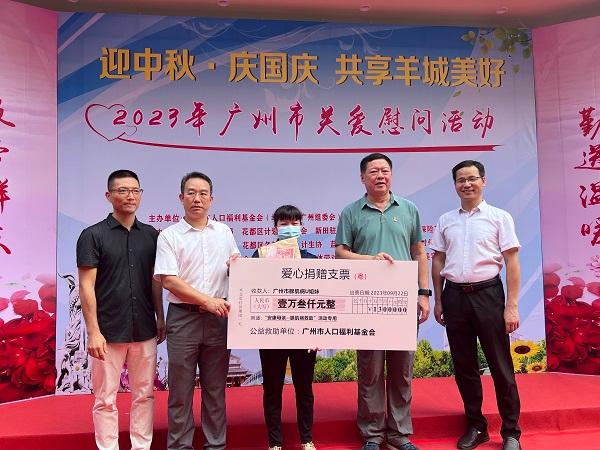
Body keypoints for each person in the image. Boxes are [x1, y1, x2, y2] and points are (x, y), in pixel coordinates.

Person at [335, 153, 431, 450]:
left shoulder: (409, 208)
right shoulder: (351, 212)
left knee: (402, 369)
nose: (380, 176)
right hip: (366, 301)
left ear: (391, 175)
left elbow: (419, 252)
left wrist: (423, 293)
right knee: (371, 369)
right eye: (374, 171)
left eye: (385, 170)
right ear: (362, 178)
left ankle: (399, 433)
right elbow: (340, 253)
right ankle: (372, 434)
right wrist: (370, 260)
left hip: (403, 300)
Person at [430, 160, 522, 450]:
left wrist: (511, 305)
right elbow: (438, 260)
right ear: (455, 185)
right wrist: (439, 298)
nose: (467, 184)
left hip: (488, 295)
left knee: (500, 365)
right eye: (461, 180)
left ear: (484, 181)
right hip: (454, 297)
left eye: (472, 178)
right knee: (464, 366)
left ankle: (511, 432)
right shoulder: (446, 220)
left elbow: (512, 262)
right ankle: (476, 427)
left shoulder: (499, 217)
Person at [77, 169, 165, 450]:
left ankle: (141, 446)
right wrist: (93, 332)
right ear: (109, 195)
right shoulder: (93, 235)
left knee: (145, 395)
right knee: (105, 398)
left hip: (145, 328)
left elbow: (155, 281)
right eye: (122, 190)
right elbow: (86, 286)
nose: (130, 196)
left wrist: (160, 316)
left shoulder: (151, 235)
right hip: (108, 331)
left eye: (135, 190)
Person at [154, 171, 240, 450]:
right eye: (191, 193)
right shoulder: (169, 236)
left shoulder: (224, 232)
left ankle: (216, 446)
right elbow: (169, 280)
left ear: (211, 199)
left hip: (219, 319)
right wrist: (207, 301)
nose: (197, 199)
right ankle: (180, 446)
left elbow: (235, 267)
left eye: (203, 194)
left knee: (215, 390)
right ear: (181, 198)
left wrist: (238, 268)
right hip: (183, 318)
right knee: (180, 391)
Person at [252, 205, 318, 450]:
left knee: (304, 389)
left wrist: (317, 332)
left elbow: (320, 300)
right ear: (275, 228)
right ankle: (275, 443)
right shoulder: (260, 256)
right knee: (272, 389)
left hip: (304, 336)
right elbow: (249, 288)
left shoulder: (311, 260)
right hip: (271, 334)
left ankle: (307, 439)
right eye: (283, 223)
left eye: (294, 223)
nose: (289, 228)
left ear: (302, 228)